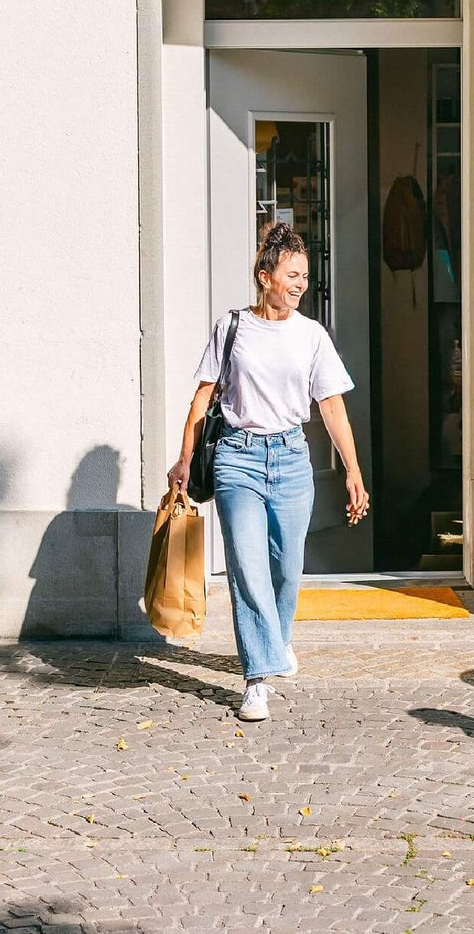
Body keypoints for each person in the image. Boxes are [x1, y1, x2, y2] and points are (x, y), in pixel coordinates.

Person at [168, 221, 370, 723]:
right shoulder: (233, 327)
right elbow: (202, 398)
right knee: (248, 567)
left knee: (286, 567)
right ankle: (256, 678)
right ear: (266, 277)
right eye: (292, 274)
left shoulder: (311, 335)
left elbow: (331, 406)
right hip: (237, 458)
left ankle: (276, 640)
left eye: (304, 275)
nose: (301, 283)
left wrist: (353, 470)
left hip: (291, 458)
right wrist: (185, 457)